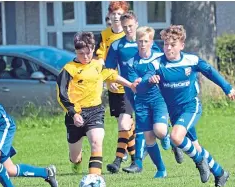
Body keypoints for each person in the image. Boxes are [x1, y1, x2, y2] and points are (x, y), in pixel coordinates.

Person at [145, 25, 234, 186]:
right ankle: (220, 173)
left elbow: (210, 71)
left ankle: (199, 161)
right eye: (165, 44)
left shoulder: (191, 60)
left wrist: (227, 87)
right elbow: (147, 75)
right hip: (174, 113)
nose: (168, 48)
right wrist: (149, 79)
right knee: (194, 145)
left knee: (176, 136)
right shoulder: (157, 64)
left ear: (181, 45)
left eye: (172, 44)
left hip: (191, 107)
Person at [56, 31, 138, 176]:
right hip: (75, 114)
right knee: (75, 157)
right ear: (75, 51)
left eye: (88, 53)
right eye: (81, 53)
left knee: (96, 141)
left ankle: (95, 180)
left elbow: (112, 74)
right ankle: (76, 163)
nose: (85, 56)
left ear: (93, 49)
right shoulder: (68, 69)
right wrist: (74, 113)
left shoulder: (97, 65)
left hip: (95, 111)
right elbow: (61, 95)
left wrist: (130, 85)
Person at [104, 12, 170, 175]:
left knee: (153, 129)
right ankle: (136, 162)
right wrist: (111, 80)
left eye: (131, 26)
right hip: (129, 90)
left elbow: (162, 64)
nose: (128, 29)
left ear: (136, 24)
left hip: (151, 92)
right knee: (134, 125)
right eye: (125, 26)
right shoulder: (117, 45)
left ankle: (166, 138)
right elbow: (108, 69)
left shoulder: (148, 43)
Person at [96, 1, 139, 171]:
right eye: (113, 13)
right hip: (115, 87)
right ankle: (136, 159)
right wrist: (108, 81)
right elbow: (103, 62)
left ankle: (118, 160)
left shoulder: (132, 37)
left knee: (124, 124)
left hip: (130, 88)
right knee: (127, 125)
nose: (116, 16)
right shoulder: (105, 35)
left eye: (119, 14)